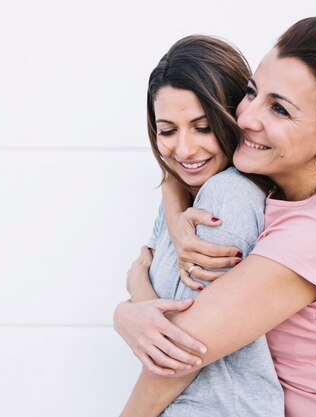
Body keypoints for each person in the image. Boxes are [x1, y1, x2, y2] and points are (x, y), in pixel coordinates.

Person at [114, 16, 316, 417]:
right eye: (252, 92)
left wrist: (129, 309)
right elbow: (189, 174)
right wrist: (174, 201)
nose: (247, 118)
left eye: (280, 109)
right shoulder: (309, 196)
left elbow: (179, 349)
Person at [116, 35, 284, 416]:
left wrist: (132, 297)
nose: (185, 150)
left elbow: (181, 347)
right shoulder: (186, 194)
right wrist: (128, 311)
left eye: (203, 127)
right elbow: (171, 316)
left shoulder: (229, 197)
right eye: (168, 130)